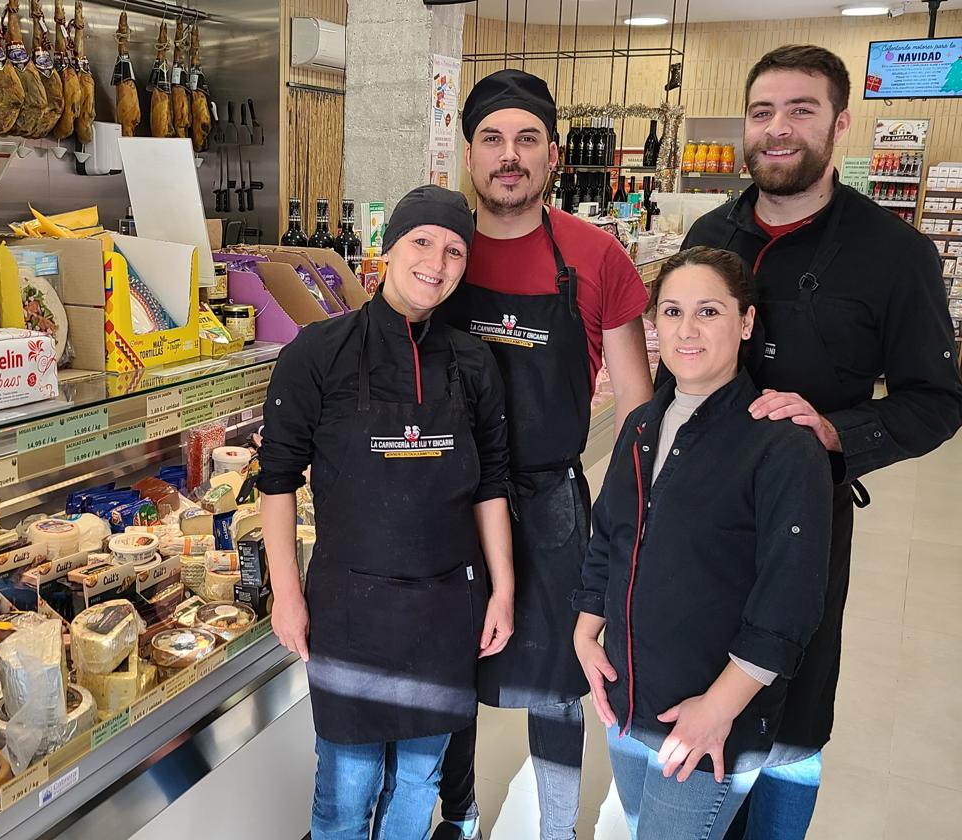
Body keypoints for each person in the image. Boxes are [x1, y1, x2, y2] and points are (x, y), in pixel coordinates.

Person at [675, 45, 962, 838]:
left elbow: (937, 401)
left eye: (801, 111)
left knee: (792, 709)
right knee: (697, 688)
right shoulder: (709, 232)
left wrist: (839, 429)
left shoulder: (894, 254)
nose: (777, 130)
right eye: (763, 111)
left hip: (809, 518)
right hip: (700, 516)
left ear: (839, 123)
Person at [258, 185, 516, 840]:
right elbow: (278, 479)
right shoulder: (316, 354)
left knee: (419, 786)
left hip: (445, 610)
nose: (437, 261)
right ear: (389, 247)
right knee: (348, 789)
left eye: (455, 250)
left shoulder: (473, 362)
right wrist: (286, 595)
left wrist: (504, 590)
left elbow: (491, 483)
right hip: (350, 613)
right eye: (422, 241)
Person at [435, 69, 654, 840]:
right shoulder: (437, 255)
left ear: (554, 154)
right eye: (492, 138)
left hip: (554, 506)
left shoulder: (597, 258)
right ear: (468, 154)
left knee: (563, 679)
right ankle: (455, 819)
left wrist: (631, 533)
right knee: (447, 677)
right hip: (447, 502)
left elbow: (639, 416)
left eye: (527, 139)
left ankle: (557, 828)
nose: (509, 155)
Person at [573, 246, 833, 840]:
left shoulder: (783, 445)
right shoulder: (640, 426)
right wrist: (586, 630)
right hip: (629, 701)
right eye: (671, 311)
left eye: (709, 312)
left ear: (745, 322)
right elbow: (610, 534)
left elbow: (788, 603)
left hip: (707, 720)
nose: (686, 330)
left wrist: (716, 712)